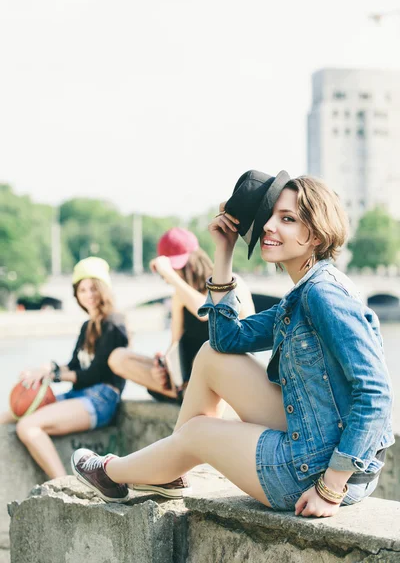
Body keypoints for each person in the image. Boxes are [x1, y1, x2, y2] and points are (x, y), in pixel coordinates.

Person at [71, 172, 394, 517]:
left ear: (314, 234)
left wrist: (329, 488)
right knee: (211, 356)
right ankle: (167, 473)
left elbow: (376, 394)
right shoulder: (304, 294)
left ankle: (112, 474)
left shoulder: (322, 294)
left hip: (316, 474)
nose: (270, 226)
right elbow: (226, 339)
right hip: (316, 438)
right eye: (271, 216)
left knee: (197, 433)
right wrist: (223, 252)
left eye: (287, 219)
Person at [0, 257, 128, 479]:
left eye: (93, 288)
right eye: (82, 289)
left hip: (102, 398)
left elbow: (94, 374)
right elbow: (74, 365)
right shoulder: (87, 326)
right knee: (11, 414)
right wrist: (46, 368)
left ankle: (63, 484)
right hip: (79, 394)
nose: (88, 294)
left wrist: (54, 375)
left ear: (103, 289)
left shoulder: (114, 323)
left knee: (28, 427)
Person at [108, 227, 255, 403]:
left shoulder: (232, 282)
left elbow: (207, 312)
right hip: (189, 379)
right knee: (118, 357)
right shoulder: (179, 295)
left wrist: (171, 276)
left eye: (177, 269)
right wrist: (163, 367)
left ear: (193, 263)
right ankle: (185, 392)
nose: (172, 277)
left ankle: (194, 396)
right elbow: (174, 346)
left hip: (230, 376)